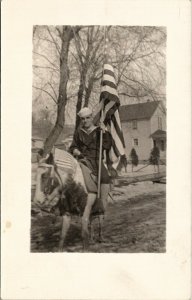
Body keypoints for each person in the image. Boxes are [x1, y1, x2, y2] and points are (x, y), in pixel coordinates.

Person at [69, 107, 112, 242]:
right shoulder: (78, 132)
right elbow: (73, 146)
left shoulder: (99, 130)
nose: (85, 121)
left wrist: (105, 133)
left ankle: (101, 229)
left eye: (88, 118)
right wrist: (76, 151)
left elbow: (107, 145)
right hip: (83, 160)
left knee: (105, 178)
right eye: (83, 119)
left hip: (97, 161)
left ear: (92, 117)